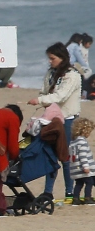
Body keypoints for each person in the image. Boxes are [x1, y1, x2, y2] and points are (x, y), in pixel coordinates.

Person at [31, 42, 82, 201]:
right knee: (50, 155)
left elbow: (61, 96)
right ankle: (48, 192)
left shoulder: (72, 75)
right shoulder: (50, 73)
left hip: (67, 119)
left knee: (65, 156)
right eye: (49, 58)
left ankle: (69, 192)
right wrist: (42, 100)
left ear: (62, 58)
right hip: (51, 119)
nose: (50, 61)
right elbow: (45, 92)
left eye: (52, 58)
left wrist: (40, 100)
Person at [68, 117, 95, 204]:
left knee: (79, 184)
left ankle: (75, 199)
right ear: (85, 131)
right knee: (89, 182)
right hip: (83, 169)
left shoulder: (73, 142)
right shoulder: (82, 142)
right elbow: (83, 156)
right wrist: (86, 167)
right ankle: (87, 198)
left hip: (75, 169)